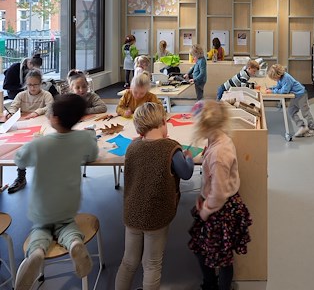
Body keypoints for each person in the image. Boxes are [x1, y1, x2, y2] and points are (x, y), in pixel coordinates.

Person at [14, 94, 99, 290]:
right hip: (68, 204)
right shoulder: (83, 139)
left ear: (55, 119)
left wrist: (33, 142)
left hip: (42, 207)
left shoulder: (40, 144)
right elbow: (93, 154)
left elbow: (20, 160)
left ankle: (37, 252)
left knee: (40, 229)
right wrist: (91, 137)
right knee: (66, 225)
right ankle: (74, 242)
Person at [115, 102, 194, 290]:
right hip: (156, 215)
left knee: (128, 261)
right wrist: (189, 157)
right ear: (163, 122)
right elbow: (186, 173)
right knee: (152, 263)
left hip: (132, 213)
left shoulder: (132, 147)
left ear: (139, 128)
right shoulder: (171, 149)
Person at [188, 100, 252, 290]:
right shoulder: (218, 139)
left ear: (204, 127)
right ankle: (210, 283)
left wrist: (206, 210)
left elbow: (219, 192)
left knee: (222, 258)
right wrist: (202, 196)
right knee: (203, 249)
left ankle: (218, 286)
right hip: (215, 203)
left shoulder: (219, 154)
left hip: (221, 209)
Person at [4, 69, 54, 194]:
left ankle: (46, 176)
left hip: (42, 126)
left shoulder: (46, 95)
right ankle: (21, 177)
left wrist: (37, 112)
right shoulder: (21, 95)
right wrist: (10, 113)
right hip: (25, 126)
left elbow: (50, 106)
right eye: (29, 85)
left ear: (41, 83)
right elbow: (13, 106)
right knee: (20, 148)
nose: (32, 88)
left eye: (35, 85)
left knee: (43, 147)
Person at [266, 64, 314, 138]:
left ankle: (312, 129)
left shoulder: (286, 78)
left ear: (278, 75)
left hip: (301, 95)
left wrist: (273, 91)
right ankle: (302, 126)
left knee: (305, 112)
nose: (274, 80)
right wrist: (271, 88)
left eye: (274, 78)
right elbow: (279, 86)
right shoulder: (280, 78)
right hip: (295, 96)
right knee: (291, 111)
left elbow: (284, 91)